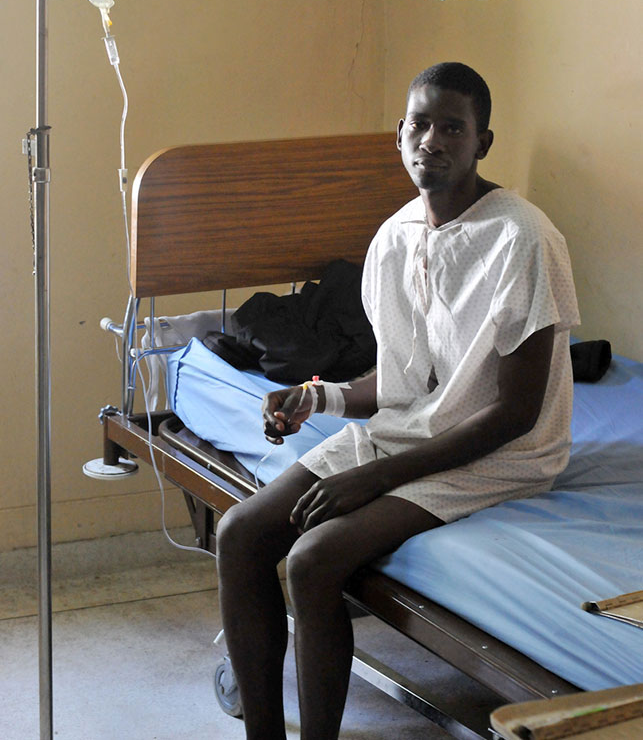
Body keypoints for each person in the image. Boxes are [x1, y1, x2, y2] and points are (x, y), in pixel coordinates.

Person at [216, 62, 579, 740]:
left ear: (483, 143)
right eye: (420, 124)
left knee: (312, 560)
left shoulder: (522, 238)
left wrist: (374, 477)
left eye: (453, 128)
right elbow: (401, 384)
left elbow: (516, 413)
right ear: (399, 135)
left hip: (500, 455)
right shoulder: (394, 238)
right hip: (411, 434)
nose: (432, 140)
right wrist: (317, 397)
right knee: (239, 534)